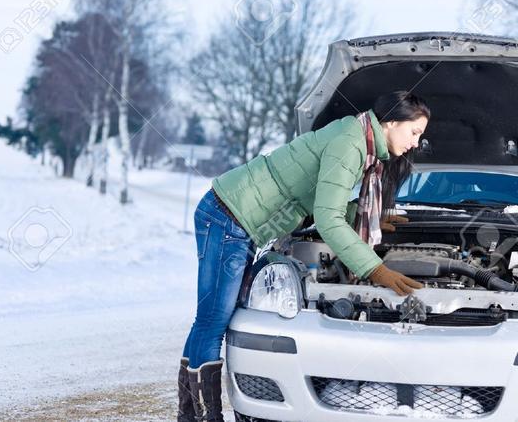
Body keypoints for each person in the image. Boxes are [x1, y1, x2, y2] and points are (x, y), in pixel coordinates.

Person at [177, 91, 431, 421]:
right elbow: (327, 219)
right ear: (393, 122)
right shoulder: (351, 144)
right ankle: (203, 417)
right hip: (228, 216)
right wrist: (375, 269)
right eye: (414, 132)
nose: (415, 143)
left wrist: (364, 216)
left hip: (235, 218)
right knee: (213, 323)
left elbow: (321, 198)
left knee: (208, 322)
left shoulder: (356, 136)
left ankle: (189, 415)